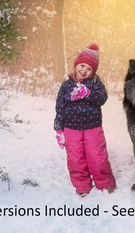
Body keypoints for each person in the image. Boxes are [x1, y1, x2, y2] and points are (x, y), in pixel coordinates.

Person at [54, 43, 116, 197]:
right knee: (75, 159)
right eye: (82, 66)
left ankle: (105, 182)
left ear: (93, 72)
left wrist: (88, 93)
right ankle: (82, 186)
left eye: (89, 69)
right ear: (76, 65)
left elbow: (103, 98)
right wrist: (59, 129)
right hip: (71, 129)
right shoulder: (66, 85)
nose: (84, 70)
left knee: (97, 157)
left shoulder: (95, 83)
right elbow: (60, 106)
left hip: (92, 127)